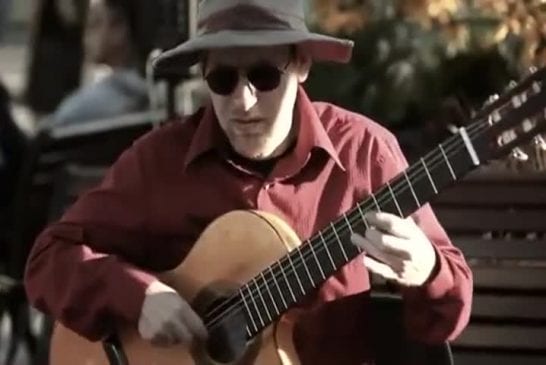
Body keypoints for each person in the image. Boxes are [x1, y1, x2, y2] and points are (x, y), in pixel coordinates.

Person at [24, 0, 473, 364]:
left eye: (263, 75)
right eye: (222, 79)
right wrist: (138, 295)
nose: (243, 101)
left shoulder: (365, 153)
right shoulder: (161, 161)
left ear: (301, 65)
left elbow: (446, 315)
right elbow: (49, 258)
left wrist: (427, 268)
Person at [50, 0, 152, 126]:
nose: (85, 36)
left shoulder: (78, 110)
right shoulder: (153, 95)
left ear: (118, 28)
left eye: (93, 23)